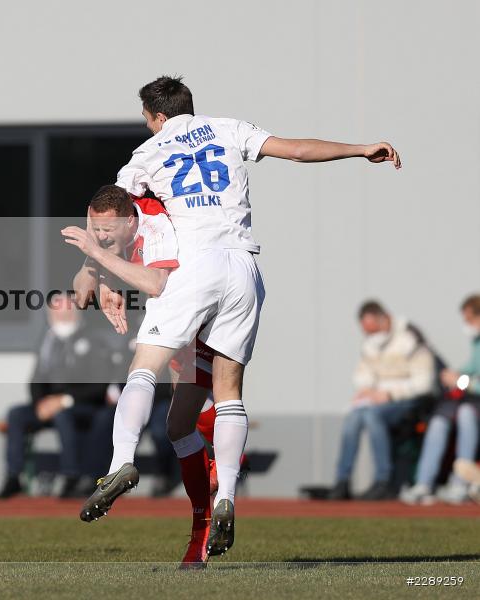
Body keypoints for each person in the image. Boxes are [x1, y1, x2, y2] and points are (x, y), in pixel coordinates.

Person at [63, 75, 400, 556]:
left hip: (191, 269)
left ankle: (121, 461)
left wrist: (96, 272)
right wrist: (360, 149)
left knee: (143, 368)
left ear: (154, 116)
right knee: (228, 394)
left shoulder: (147, 154)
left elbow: (110, 219)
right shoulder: (228, 128)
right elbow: (298, 150)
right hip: (243, 268)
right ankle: (225, 498)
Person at [64, 184, 219, 567]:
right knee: (181, 425)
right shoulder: (112, 230)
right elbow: (79, 296)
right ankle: (205, 519)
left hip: (202, 308)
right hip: (172, 318)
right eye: (94, 227)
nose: (100, 236)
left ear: (129, 221)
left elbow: (154, 283)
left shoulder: (153, 221)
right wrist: (94, 267)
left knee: (206, 404)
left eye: (107, 230)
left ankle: (220, 472)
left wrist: (99, 257)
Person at [0, 293, 114, 500]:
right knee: (16, 414)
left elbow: (99, 386)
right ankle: (14, 476)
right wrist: (40, 403)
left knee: (63, 415)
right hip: (49, 406)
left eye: (66, 311)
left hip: (83, 406)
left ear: (76, 312)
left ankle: (71, 476)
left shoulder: (94, 341)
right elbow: (37, 378)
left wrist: (64, 400)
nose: (61, 317)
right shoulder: (48, 342)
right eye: (56, 312)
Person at [327, 301, 435, 500]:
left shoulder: (410, 338)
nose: (371, 335)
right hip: (376, 401)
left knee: (370, 415)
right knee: (353, 416)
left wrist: (390, 394)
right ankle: (342, 480)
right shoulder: (370, 344)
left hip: (408, 401)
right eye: (367, 331)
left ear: (384, 319)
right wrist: (366, 389)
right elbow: (363, 374)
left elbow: (424, 383)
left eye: (374, 329)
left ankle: (383, 480)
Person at [402, 294, 480, 504]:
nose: (467, 325)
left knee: (465, 414)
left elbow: (472, 381)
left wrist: (461, 381)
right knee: (438, 420)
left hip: (474, 404)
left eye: (469, 320)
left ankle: (461, 482)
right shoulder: (476, 342)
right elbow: (471, 370)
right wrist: (453, 375)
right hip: (471, 399)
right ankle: (423, 483)